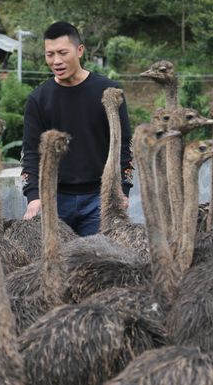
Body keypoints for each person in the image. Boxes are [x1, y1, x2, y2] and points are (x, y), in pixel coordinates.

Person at [21, 22, 133, 236]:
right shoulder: (38, 99)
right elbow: (30, 153)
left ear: (79, 50)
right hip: (53, 201)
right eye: (50, 54)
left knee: (99, 263)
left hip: (99, 199)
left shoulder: (109, 92)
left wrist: (123, 190)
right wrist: (33, 197)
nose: (56, 61)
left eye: (63, 53)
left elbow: (124, 144)